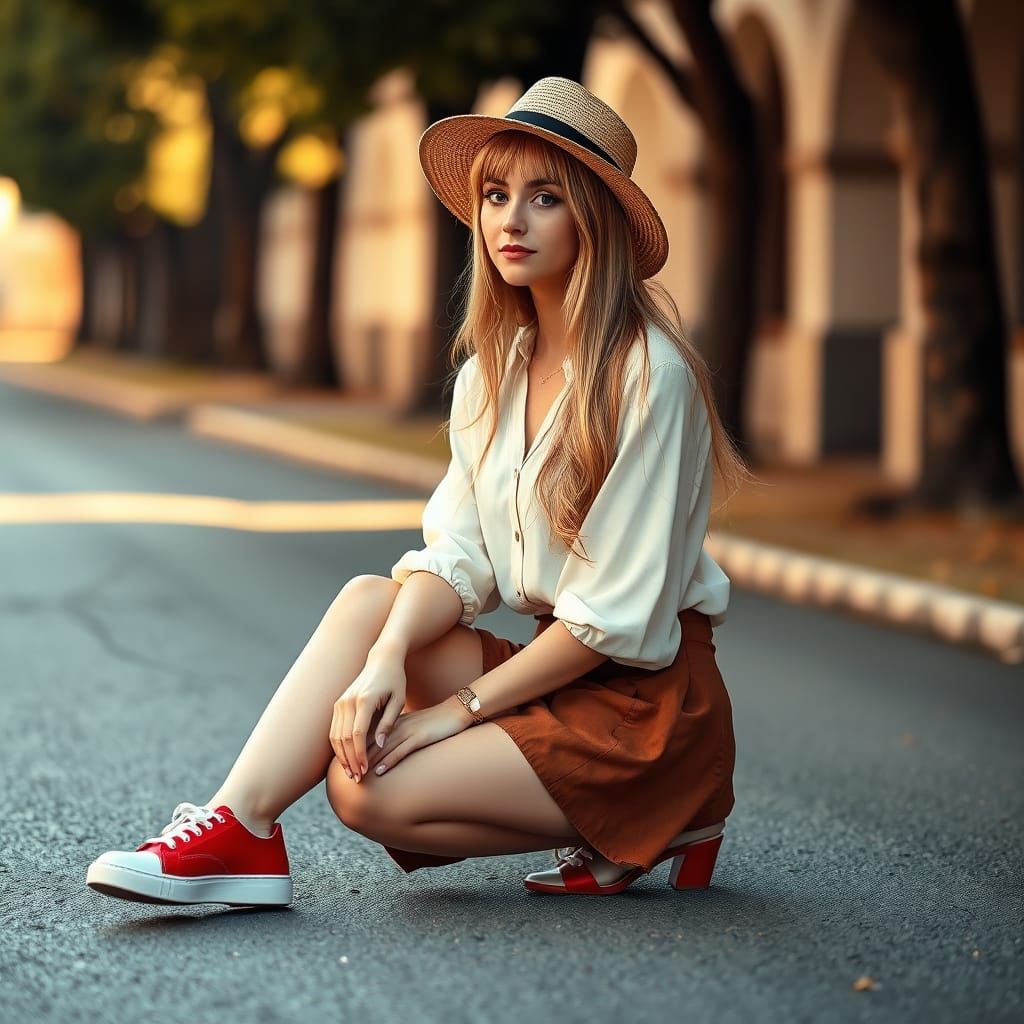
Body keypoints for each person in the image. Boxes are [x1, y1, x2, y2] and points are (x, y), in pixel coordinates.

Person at [86, 76, 749, 906]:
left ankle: (665, 805)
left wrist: (455, 711)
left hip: (646, 708)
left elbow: (607, 622)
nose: (510, 220)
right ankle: (239, 828)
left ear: (594, 217)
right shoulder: (490, 376)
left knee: (361, 792)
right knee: (373, 601)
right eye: (497, 195)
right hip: (562, 679)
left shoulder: (650, 377)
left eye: (544, 198)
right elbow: (458, 558)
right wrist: (385, 664)